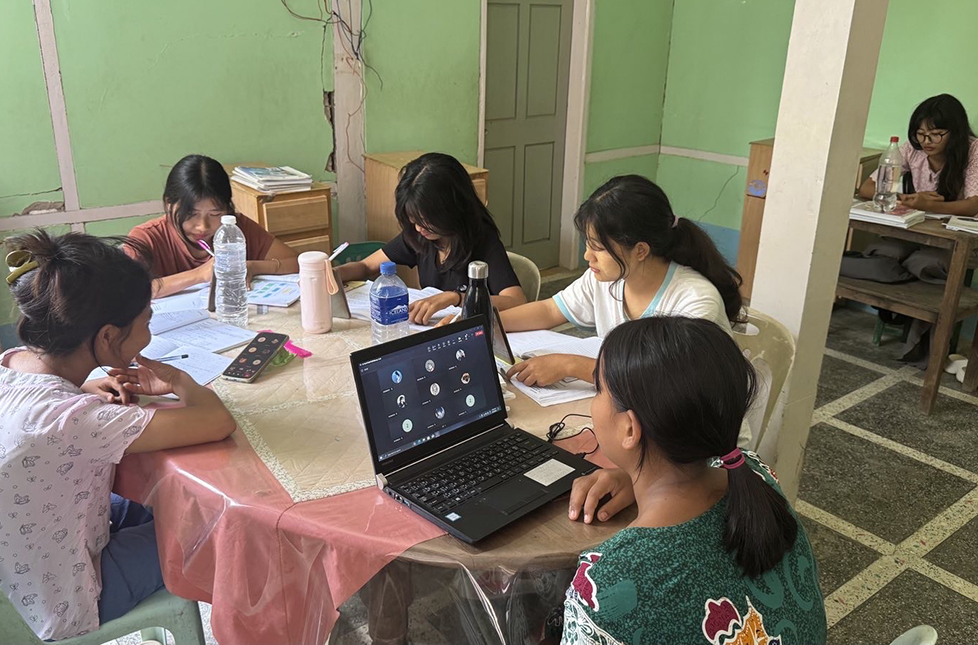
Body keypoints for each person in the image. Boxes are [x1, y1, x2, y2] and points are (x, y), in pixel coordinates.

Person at [0, 231, 236, 640]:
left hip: (10, 579)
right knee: (222, 530)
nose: (148, 336)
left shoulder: (6, 364)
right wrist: (177, 379)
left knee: (171, 500)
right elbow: (217, 421)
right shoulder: (73, 421)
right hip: (62, 601)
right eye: (146, 323)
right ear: (108, 337)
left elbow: (47, 413)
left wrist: (83, 390)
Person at [556, 317, 825, 643]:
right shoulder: (754, 473)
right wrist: (634, 474)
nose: (594, 399)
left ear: (629, 429)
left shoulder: (606, 585)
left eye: (599, 389)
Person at [501, 175, 743, 387]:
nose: (587, 256)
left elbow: (664, 382)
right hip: (635, 405)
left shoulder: (695, 301)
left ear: (640, 250)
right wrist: (489, 324)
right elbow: (550, 310)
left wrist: (570, 365)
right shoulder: (605, 279)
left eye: (598, 248)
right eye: (588, 244)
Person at [334, 152, 526, 324]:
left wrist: (456, 298)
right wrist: (332, 274)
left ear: (451, 209)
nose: (419, 228)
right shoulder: (419, 236)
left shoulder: (483, 240)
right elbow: (366, 266)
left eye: (426, 220)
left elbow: (516, 301)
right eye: (414, 219)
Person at [127, 154, 299, 298]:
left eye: (215, 214)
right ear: (169, 204)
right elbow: (131, 292)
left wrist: (252, 267)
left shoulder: (235, 228)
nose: (202, 226)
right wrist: (200, 274)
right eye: (191, 214)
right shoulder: (146, 238)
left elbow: (296, 263)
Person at [859, 93, 978, 216]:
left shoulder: (974, 150)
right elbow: (867, 188)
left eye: (936, 134)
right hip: (922, 221)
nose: (926, 141)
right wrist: (904, 198)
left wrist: (928, 205)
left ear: (956, 133)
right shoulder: (912, 149)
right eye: (921, 134)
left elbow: (973, 205)